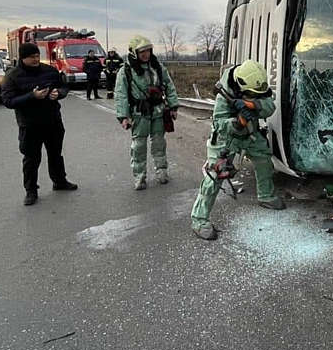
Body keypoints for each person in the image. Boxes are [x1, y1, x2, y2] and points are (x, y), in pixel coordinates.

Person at [191, 59, 284, 240]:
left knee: (264, 159)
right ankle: (199, 219)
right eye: (251, 95)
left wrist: (252, 105)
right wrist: (237, 122)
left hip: (250, 133)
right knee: (215, 176)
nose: (256, 95)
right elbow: (219, 124)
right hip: (228, 138)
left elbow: (269, 106)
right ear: (241, 87)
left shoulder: (255, 83)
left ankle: (266, 196)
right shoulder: (224, 94)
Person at [2, 42, 78, 206]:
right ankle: (31, 191)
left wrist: (59, 94)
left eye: (37, 56)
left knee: (55, 154)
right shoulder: (13, 75)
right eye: (32, 57)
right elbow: (8, 100)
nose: (36, 59)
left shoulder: (49, 71)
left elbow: (63, 86)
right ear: (23, 58)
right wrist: (32, 96)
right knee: (31, 158)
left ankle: (59, 181)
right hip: (29, 125)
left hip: (52, 121)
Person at [114, 36, 179, 191]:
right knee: (139, 146)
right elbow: (121, 95)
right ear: (134, 52)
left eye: (148, 50)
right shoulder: (126, 71)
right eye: (142, 51)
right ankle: (139, 176)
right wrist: (123, 117)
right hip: (139, 113)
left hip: (158, 111)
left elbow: (169, 86)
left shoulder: (157, 67)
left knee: (159, 143)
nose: (146, 54)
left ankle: (162, 171)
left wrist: (173, 106)